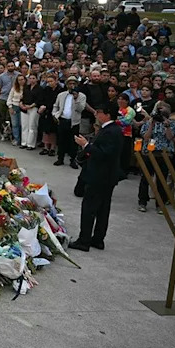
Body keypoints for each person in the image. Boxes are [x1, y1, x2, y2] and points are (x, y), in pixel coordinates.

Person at [71, 102, 124, 251]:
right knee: (102, 209)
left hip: (99, 176)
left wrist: (86, 145)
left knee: (90, 208)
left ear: (107, 114)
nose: (96, 114)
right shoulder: (111, 130)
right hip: (107, 176)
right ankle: (98, 239)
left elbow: (104, 154)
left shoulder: (111, 131)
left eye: (99, 111)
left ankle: (84, 240)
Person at [136, 101, 175, 213]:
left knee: (162, 180)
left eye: (163, 108)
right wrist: (151, 124)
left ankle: (160, 204)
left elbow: (170, 137)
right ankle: (142, 202)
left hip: (164, 154)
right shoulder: (149, 121)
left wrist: (167, 125)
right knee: (145, 178)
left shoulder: (172, 123)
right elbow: (145, 137)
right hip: (149, 153)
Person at [53, 75, 87, 168]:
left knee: (73, 142)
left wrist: (76, 99)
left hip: (74, 122)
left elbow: (81, 109)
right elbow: (56, 105)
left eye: (74, 84)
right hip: (63, 120)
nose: (72, 85)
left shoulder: (82, 96)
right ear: (67, 85)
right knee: (61, 141)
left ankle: (73, 160)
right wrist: (55, 114)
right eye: (70, 83)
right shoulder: (62, 95)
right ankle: (60, 158)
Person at [20, 74, 41, 150]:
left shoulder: (39, 88)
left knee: (32, 126)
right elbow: (22, 97)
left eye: (33, 78)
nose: (31, 80)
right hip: (24, 107)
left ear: (36, 79)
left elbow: (39, 100)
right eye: (30, 78)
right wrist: (21, 104)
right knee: (24, 125)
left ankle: (31, 144)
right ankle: (24, 143)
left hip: (34, 108)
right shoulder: (26, 87)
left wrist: (31, 106)